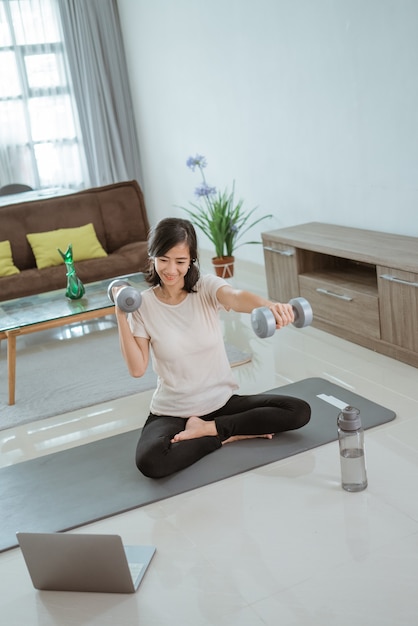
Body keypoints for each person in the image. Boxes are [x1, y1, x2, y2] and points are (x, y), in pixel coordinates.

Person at [114, 217, 311, 478]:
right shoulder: (143, 306)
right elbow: (137, 369)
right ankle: (226, 435)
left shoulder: (205, 287)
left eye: (180, 261)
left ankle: (208, 429)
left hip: (221, 402)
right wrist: (120, 314)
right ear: (152, 257)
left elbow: (236, 297)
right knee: (151, 461)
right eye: (163, 259)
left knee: (298, 411)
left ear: (192, 260)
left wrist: (270, 306)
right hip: (172, 411)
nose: (171, 269)